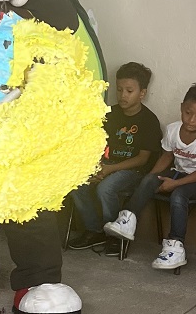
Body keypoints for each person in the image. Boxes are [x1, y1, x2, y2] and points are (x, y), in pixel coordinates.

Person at [105, 82, 196, 271]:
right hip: (179, 174)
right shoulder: (173, 129)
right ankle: (128, 219)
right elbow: (167, 156)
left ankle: (175, 246)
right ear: (181, 107)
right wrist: (149, 180)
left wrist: (175, 184)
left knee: (179, 195)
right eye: (188, 113)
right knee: (149, 179)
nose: (191, 120)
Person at [68, 61, 161, 249]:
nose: (122, 95)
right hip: (106, 164)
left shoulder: (149, 121)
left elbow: (142, 159)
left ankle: (115, 235)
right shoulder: (109, 114)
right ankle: (95, 231)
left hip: (134, 171)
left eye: (129, 91)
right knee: (76, 183)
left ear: (142, 93)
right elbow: (96, 143)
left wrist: (110, 169)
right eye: (119, 90)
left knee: (106, 188)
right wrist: (96, 166)